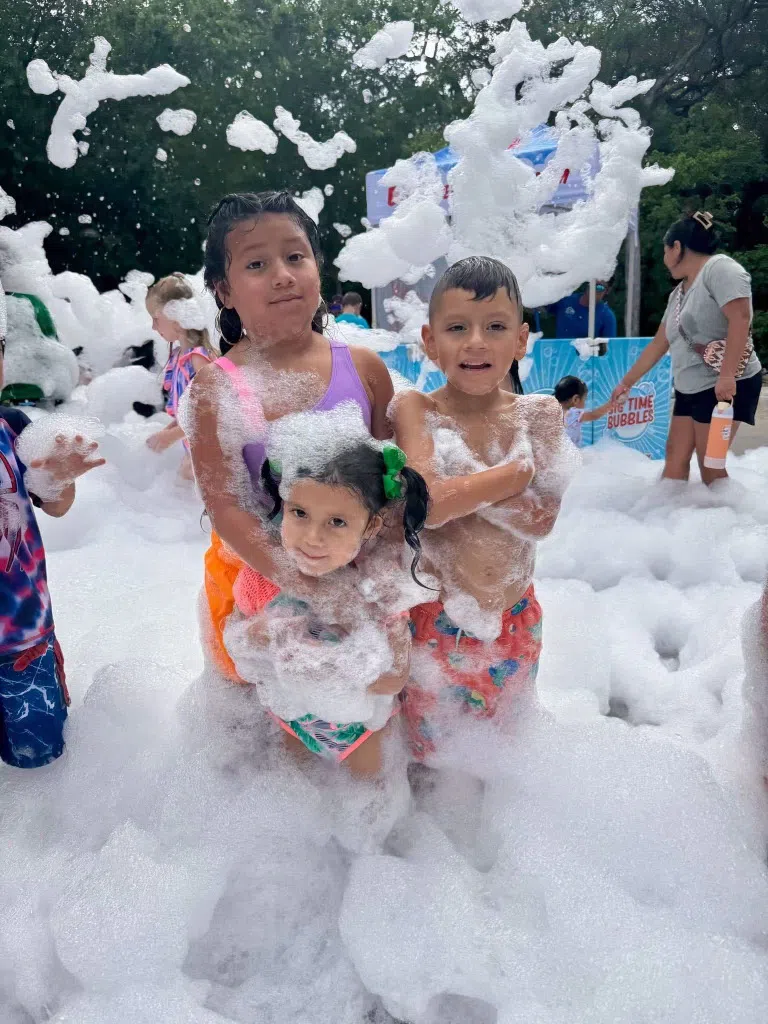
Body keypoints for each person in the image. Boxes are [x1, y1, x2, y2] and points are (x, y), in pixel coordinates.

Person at [182, 191, 394, 682]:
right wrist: (302, 582)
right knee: (262, 713)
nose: (282, 274)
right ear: (224, 291)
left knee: (367, 698)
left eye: (295, 256)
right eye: (257, 264)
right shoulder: (216, 388)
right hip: (256, 579)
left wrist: (370, 577)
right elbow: (227, 506)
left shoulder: (364, 369)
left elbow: (389, 482)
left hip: (353, 569)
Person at [392, 256, 566, 760]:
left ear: (520, 340)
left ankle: (492, 835)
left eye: (495, 327)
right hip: (434, 620)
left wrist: (459, 488)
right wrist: (515, 474)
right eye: (457, 327)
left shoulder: (540, 414)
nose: (475, 341)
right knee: (428, 754)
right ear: (429, 341)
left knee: (505, 753)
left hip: (514, 619)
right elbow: (431, 506)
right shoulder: (416, 410)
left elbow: (542, 518)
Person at [225, 422, 430, 775]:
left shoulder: (377, 587)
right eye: (299, 513)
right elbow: (238, 641)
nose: (313, 538)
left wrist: (324, 665)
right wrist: (265, 637)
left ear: (370, 527)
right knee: (297, 790)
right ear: (283, 504)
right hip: (291, 717)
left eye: (337, 522)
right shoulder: (262, 579)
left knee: (370, 798)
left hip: (364, 726)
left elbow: (395, 676)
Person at [0, 328, 105, 768]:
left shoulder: (14, 427)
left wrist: (59, 478)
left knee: (40, 758)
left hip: (24, 634)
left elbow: (57, 506)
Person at [611, 212, 762, 485]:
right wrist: (627, 382)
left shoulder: (720, 269)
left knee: (710, 465)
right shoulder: (677, 294)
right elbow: (660, 342)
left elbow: (740, 319)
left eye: (665, 250)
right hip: (689, 386)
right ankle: (669, 518)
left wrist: (727, 377)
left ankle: (724, 524)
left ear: (677, 247)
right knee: (675, 457)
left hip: (723, 384)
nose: (664, 258)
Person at [145, 273, 215, 480]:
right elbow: (188, 409)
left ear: (177, 319)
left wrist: (171, 436)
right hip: (196, 447)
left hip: (215, 451)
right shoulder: (179, 357)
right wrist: (171, 430)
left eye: (156, 319)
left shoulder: (198, 359)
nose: (153, 327)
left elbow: (211, 412)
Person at [554, 375, 614, 447]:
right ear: (575, 399)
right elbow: (594, 415)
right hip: (570, 455)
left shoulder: (551, 411)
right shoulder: (574, 414)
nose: (585, 403)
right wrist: (612, 404)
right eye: (584, 399)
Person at [550, 281, 617, 339]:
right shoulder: (565, 300)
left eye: (599, 287)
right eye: (592, 283)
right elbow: (542, 309)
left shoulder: (607, 316)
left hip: (585, 354)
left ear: (607, 291)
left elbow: (610, 348)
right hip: (559, 352)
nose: (593, 289)